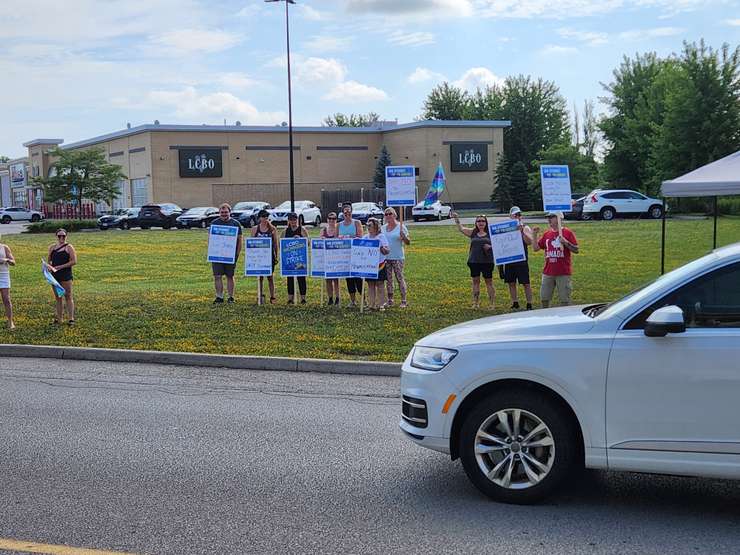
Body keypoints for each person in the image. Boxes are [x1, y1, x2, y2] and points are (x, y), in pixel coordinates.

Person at [532, 211, 579, 307]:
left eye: (551, 217)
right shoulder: (547, 234)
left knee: (564, 300)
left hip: (563, 272)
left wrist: (566, 242)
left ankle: (564, 318)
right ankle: (545, 317)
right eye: (548, 217)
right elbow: (536, 248)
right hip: (548, 272)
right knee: (544, 298)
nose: (548, 219)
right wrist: (534, 235)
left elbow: (576, 250)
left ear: (559, 218)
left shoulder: (567, 232)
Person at [452, 212, 495, 309]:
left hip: (487, 262)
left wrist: (490, 247)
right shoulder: (473, 233)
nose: (481, 223)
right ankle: (475, 303)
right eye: (478, 221)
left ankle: (492, 304)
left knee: (489, 282)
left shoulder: (491, 233)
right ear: (476, 223)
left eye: (483, 221)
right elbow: (461, 229)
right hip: (474, 261)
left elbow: (499, 244)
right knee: (476, 282)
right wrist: (456, 218)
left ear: (486, 223)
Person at [501, 206, 534, 311]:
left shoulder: (525, 227)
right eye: (515, 215)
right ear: (510, 216)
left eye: (519, 214)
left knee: (525, 283)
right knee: (511, 282)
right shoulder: (506, 228)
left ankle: (529, 303)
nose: (517, 216)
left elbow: (529, 242)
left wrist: (522, 231)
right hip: (509, 259)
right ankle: (515, 302)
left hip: (521, 260)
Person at [211, 203, 242, 304]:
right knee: (217, 276)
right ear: (219, 213)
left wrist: (237, 254)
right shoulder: (214, 223)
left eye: (226, 212)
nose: (224, 214)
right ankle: (219, 297)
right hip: (217, 254)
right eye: (222, 212)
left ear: (230, 212)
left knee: (230, 276)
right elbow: (211, 239)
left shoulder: (235, 224)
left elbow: (240, 240)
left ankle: (231, 297)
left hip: (230, 255)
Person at [47, 228, 77, 324]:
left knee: (68, 296)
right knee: (58, 297)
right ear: (56, 236)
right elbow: (49, 261)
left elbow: (74, 261)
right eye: (59, 236)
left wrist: (60, 267)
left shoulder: (69, 247)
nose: (61, 238)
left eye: (63, 236)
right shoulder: (52, 247)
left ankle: (71, 318)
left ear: (66, 236)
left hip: (65, 275)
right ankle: (59, 319)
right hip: (54, 276)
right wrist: (48, 267)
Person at [382, 207, 410, 308]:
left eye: (390, 214)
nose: (388, 216)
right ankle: (390, 300)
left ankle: (403, 300)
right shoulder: (383, 228)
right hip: (386, 257)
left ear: (395, 215)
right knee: (388, 279)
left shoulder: (401, 227)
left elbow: (408, 242)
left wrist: (404, 237)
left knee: (399, 278)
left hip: (398, 257)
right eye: (386, 214)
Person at [338, 202, 364, 307]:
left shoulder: (357, 223)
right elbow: (336, 239)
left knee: (358, 278)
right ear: (342, 213)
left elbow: (360, 236)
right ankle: (352, 301)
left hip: (356, 255)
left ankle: (364, 299)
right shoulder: (338, 225)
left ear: (352, 212)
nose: (347, 213)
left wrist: (348, 237)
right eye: (345, 212)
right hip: (344, 256)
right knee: (348, 278)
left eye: (349, 211)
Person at [251, 209, 279, 304]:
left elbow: (275, 244)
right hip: (259, 257)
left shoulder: (272, 229)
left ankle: (272, 296)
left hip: (269, 256)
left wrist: (276, 256)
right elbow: (251, 244)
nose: (265, 219)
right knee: (260, 277)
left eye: (267, 217)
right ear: (259, 218)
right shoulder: (255, 229)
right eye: (263, 217)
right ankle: (260, 295)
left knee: (270, 277)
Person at [363, 218, 390, 310]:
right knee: (370, 285)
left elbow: (387, 251)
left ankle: (381, 304)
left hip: (380, 265)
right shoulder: (365, 237)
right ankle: (371, 305)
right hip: (369, 266)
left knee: (380, 284)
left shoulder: (381, 237)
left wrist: (381, 246)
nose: (368, 227)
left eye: (370, 225)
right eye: (367, 225)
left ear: (375, 226)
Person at [283, 212, 309, 305]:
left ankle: (303, 298)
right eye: (291, 219)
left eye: (294, 219)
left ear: (297, 220)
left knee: (301, 278)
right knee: (290, 278)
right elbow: (281, 243)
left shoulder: (302, 229)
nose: (293, 221)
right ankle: (290, 298)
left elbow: (308, 243)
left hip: (300, 258)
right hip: (289, 258)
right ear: (288, 221)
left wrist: (300, 238)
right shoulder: (285, 231)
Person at [321, 211, 341, 306]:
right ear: (327, 220)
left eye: (334, 219)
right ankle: (330, 298)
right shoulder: (323, 230)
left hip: (336, 258)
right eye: (330, 218)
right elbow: (319, 241)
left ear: (336, 220)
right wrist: (322, 239)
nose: (332, 220)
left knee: (336, 279)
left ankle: (337, 297)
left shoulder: (338, 229)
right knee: (328, 279)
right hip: (326, 258)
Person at [0, 236, 16, 330]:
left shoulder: (4, 247)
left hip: (4, 276)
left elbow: (13, 262)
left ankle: (10, 322)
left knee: (6, 299)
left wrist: (6, 260)